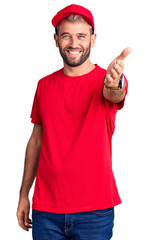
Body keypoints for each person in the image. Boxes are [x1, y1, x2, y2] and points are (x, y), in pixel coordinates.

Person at [16, 4, 131, 240]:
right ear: (56, 40)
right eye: (66, 36)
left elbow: (115, 93)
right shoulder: (44, 85)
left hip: (94, 211)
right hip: (46, 210)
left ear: (93, 39)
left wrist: (113, 84)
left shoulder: (106, 80)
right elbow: (36, 141)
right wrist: (23, 195)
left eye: (81, 36)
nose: (74, 43)